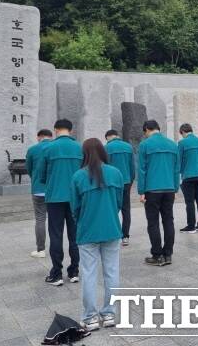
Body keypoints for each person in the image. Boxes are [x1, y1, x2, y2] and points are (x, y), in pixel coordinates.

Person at [69, 138, 124, 332]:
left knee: (89, 275)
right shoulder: (116, 173)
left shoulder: (78, 177)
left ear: (84, 154)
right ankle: (109, 313)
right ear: (102, 151)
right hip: (112, 229)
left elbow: (74, 208)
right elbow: (119, 203)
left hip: (87, 231)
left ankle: (90, 317)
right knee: (112, 273)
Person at [41, 119, 83, 286]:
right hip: (75, 197)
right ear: (71, 130)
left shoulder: (48, 148)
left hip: (55, 197)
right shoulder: (79, 147)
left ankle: (56, 273)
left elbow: (42, 174)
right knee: (75, 236)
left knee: (56, 235)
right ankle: (74, 271)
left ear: (56, 129)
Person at [137, 120, 179, 266]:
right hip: (169, 189)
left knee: (153, 222)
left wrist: (141, 191)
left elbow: (142, 170)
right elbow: (176, 169)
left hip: (152, 189)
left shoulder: (145, 145)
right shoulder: (173, 145)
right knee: (168, 220)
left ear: (147, 130)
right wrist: (175, 188)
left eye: (145, 133)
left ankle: (157, 255)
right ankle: (168, 254)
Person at [25, 129, 53, 258]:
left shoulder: (32, 150)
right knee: (55, 220)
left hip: (38, 189)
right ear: (51, 137)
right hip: (54, 190)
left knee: (40, 219)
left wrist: (36, 179)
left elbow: (29, 169)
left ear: (38, 137)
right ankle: (55, 247)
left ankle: (41, 250)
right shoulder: (55, 147)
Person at [105, 129, 135, 246]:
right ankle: (125, 236)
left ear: (108, 137)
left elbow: (105, 167)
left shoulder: (106, 148)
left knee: (112, 208)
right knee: (126, 209)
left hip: (111, 182)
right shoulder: (128, 147)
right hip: (126, 181)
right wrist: (131, 180)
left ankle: (113, 233)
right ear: (117, 136)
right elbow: (132, 167)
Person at [178, 123, 198, 233]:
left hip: (188, 176)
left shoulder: (182, 143)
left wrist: (179, 175)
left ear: (183, 132)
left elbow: (179, 160)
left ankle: (191, 226)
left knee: (189, 202)